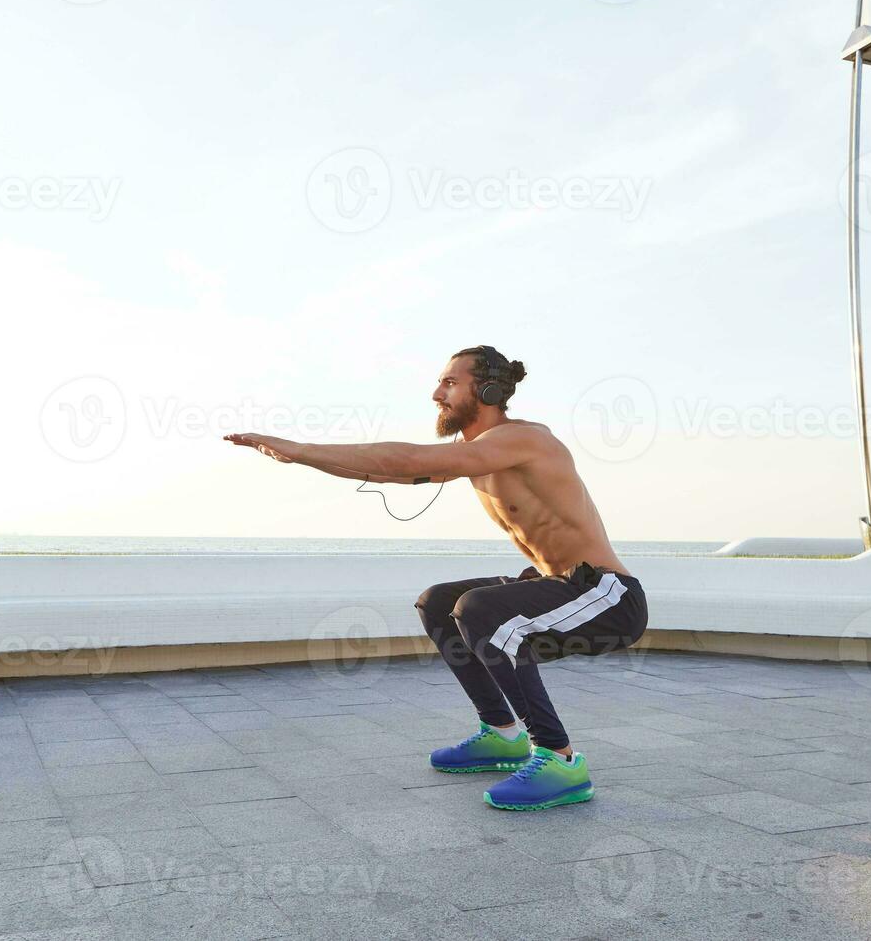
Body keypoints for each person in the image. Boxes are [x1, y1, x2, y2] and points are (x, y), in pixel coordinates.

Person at [223, 345, 648, 810]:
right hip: (557, 585)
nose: (435, 394)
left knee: (480, 609)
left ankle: (561, 761)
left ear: (486, 390)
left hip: (606, 595)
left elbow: (405, 459)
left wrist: (301, 447)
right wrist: (299, 456)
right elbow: (385, 471)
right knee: (439, 603)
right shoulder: (477, 452)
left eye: (449, 383)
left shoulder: (524, 440)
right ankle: (503, 736)